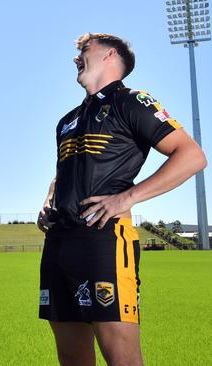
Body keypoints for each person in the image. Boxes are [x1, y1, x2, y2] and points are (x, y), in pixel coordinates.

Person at [37, 33, 206, 366]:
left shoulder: (132, 101)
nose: (76, 57)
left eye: (84, 50)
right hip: (59, 244)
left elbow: (191, 156)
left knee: (122, 358)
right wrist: (49, 199)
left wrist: (126, 198)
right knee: (71, 357)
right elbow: (66, 172)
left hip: (104, 241)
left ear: (110, 55)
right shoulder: (67, 120)